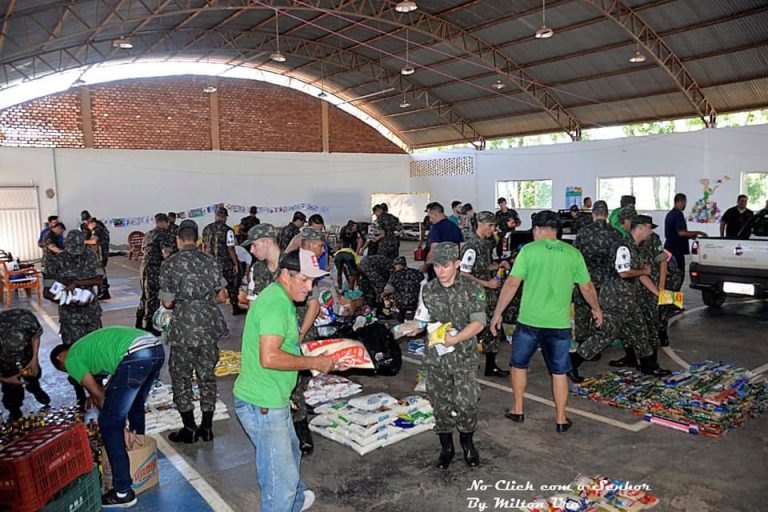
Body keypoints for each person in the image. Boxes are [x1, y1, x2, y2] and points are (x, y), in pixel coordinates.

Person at [234, 249, 335, 512]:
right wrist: (314, 363)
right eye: (304, 280)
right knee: (281, 480)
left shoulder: (279, 298)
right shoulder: (276, 304)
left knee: (291, 451)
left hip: (271, 397)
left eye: (312, 281)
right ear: (285, 275)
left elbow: (281, 349)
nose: (309, 287)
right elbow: (269, 357)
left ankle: (296, 502)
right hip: (263, 403)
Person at [490, 211, 601, 433]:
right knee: (559, 372)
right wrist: (596, 309)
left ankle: (518, 409)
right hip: (558, 325)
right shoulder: (573, 253)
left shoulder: (528, 251)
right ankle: (561, 418)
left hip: (529, 322)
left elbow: (512, 284)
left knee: (518, 365)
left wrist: (498, 313)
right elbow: (586, 287)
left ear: (538, 229)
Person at [50, 327, 164, 508]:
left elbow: (99, 394)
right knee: (135, 404)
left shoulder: (71, 360)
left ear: (60, 359)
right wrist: (95, 396)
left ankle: (123, 492)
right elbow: (115, 382)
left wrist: (121, 426)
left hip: (136, 354)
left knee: (109, 423)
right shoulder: (86, 347)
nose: (73, 375)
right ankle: (137, 456)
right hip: (155, 348)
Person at [571, 215, 672, 381]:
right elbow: (624, 272)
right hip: (615, 299)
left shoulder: (636, 247)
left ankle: (649, 367)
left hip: (629, 299)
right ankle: (572, 362)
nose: (650, 231)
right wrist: (644, 271)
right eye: (649, 227)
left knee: (640, 332)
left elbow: (641, 275)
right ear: (639, 227)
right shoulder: (623, 247)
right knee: (605, 335)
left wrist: (658, 293)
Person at [416, 242, 486, 469]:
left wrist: (456, 339)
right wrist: (409, 328)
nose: (440, 270)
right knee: (440, 404)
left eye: (445, 265)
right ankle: (446, 447)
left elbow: (478, 323)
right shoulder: (428, 289)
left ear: (457, 264)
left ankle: (467, 443)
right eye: (436, 266)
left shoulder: (472, 289)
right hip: (436, 358)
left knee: (467, 403)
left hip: (464, 357)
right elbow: (422, 319)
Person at [159, 219, 229, 443]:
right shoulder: (211, 261)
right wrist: (204, 302)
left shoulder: (169, 264)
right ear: (197, 240)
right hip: (209, 327)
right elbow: (222, 297)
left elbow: (168, 303)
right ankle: (207, 427)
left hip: (183, 330)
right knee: (207, 376)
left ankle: (189, 427)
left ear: (179, 240)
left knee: (181, 377)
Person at [43, 230, 104, 408]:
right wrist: (65, 298)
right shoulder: (56, 260)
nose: (76, 253)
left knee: (95, 352)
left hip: (91, 314)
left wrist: (78, 284)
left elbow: (99, 279)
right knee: (74, 355)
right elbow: (47, 292)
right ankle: (80, 394)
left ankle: (98, 391)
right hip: (70, 318)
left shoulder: (90, 256)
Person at [459, 211, 510, 378]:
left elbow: (481, 267)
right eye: (490, 225)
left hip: (486, 295)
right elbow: (464, 273)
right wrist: (487, 283)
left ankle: (491, 365)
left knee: (491, 330)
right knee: (474, 329)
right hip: (476, 296)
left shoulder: (484, 244)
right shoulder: (472, 246)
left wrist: (496, 266)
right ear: (480, 224)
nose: (493, 229)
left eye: (494, 225)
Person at [572, 201, 621, 347]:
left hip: (585, 279)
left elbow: (575, 256)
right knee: (602, 311)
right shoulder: (616, 234)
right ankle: (598, 344)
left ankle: (582, 343)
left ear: (593, 214)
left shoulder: (583, 232)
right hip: (607, 281)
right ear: (607, 215)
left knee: (582, 311)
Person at [0, 309, 50, 421]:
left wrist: (34, 359)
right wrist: (6, 379)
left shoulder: (27, 320)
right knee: (11, 390)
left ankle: (34, 388)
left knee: (33, 373)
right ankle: (14, 410)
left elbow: (35, 336)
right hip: (4, 361)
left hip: (27, 351)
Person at [135, 213, 175, 333]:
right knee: (153, 297)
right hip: (155, 268)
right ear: (163, 222)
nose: (168, 225)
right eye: (167, 223)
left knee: (144, 296)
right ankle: (149, 325)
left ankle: (138, 320)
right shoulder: (162, 234)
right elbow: (166, 253)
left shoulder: (148, 234)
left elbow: (143, 250)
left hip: (144, 267)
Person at [203, 207, 245, 316]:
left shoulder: (206, 229)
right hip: (225, 264)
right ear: (225, 217)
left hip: (210, 264)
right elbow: (231, 248)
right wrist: (235, 263)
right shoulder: (228, 230)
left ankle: (208, 309)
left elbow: (204, 246)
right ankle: (235, 306)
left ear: (216, 216)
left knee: (212, 287)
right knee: (231, 285)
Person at [664, 193, 706, 272]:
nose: (685, 205)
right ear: (681, 202)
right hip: (675, 250)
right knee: (678, 273)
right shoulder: (678, 214)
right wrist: (698, 232)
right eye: (684, 203)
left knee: (670, 273)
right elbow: (681, 232)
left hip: (669, 249)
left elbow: (676, 233)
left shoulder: (670, 214)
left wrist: (691, 236)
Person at [242, 224, 281, 304]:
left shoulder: (292, 264)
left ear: (267, 243)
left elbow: (312, 303)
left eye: (254, 245)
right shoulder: (257, 268)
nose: (251, 250)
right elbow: (252, 300)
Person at [384, 256, 423, 322]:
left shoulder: (394, 275)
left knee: (388, 296)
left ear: (399, 265)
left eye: (395, 266)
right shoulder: (417, 272)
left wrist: (384, 296)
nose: (394, 268)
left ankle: (399, 320)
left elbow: (388, 291)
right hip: (415, 302)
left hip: (401, 304)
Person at [84, 217, 112, 300]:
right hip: (101, 254)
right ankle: (102, 291)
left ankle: (104, 292)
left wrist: (83, 241)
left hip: (99, 255)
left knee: (100, 273)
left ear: (92, 224)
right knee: (99, 272)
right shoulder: (101, 228)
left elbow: (94, 241)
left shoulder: (97, 230)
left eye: (88, 226)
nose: (88, 228)